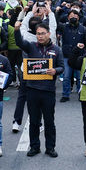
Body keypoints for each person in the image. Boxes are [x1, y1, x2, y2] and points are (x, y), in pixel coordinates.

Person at [13, 20, 64, 158]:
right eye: (38, 34)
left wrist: (55, 70)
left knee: (49, 121)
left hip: (48, 91)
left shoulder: (56, 50)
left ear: (49, 34)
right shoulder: (31, 47)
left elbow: (62, 67)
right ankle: (35, 146)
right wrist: (17, 30)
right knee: (34, 121)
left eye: (42, 33)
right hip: (32, 89)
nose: (40, 36)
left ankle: (50, 147)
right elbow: (19, 43)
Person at [57, 7, 86, 102]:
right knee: (66, 77)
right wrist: (59, 12)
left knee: (80, 77)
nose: (73, 17)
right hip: (67, 56)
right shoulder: (63, 27)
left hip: (80, 56)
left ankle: (81, 94)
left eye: (75, 16)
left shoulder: (83, 29)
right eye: (71, 16)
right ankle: (65, 95)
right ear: (68, 18)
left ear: (79, 17)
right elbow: (55, 22)